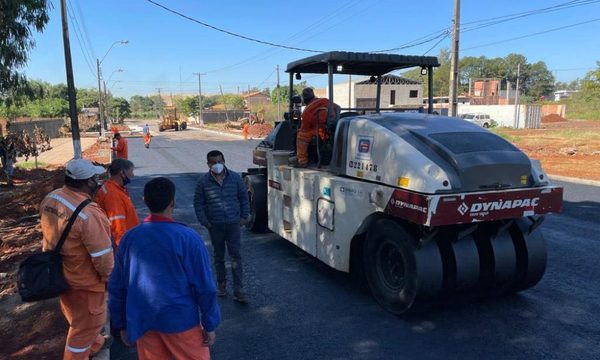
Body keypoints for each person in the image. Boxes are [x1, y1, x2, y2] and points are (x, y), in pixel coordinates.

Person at [109, 177, 220, 360]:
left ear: (145, 201)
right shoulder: (188, 238)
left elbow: (117, 286)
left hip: (144, 322)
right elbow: (204, 287)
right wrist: (209, 323)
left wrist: (121, 324)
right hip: (180, 321)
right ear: (173, 202)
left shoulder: (130, 238)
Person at [40, 159, 114, 359]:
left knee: (77, 319)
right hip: (85, 283)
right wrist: (110, 279)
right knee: (82, 332)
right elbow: (102, 257)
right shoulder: (89, 214)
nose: (97, 182)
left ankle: (95, 344)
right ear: (87, 182)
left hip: (61, 276)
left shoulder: (52, 198)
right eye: (94, 179)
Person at [194, 150, 250, 303]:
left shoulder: (235, 178)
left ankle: (239, 289)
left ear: (224, 161)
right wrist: (205, 222)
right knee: (218, 257)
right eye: (213, 162)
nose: (217, 165)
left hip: (233, 225)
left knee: (236, 256)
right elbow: (198, 203)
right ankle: (221, 285)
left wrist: (244, 216)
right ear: (208, 164)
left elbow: (243, 197)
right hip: (215, 226)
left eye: (220, 161)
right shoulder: (203, 182)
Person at [96, 158, 139, 248]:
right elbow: (118, 225)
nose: (133, 175)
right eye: (131, 172)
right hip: (123, 245)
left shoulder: (111, 188)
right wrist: (124, 249)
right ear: (122, 173)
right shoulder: (114, 195)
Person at [296, 87, 339, 168]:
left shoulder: (307, 111)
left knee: (301, 136)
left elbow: (305, 128)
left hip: (319, 131)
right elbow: (338, 107)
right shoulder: (324, 101)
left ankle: (302, 161)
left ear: (304, 99)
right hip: (331, 129)